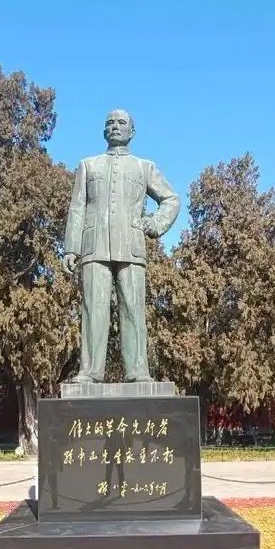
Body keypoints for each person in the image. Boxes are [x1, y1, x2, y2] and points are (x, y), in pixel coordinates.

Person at [63, 109, 180, 383]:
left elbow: (171, 199)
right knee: (93, 310)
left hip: (131, 247)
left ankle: (137, 370)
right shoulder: (88, 165)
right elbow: (77, 207)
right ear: (104, 131)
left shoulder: (144, 167)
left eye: (121, 122)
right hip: (94, 246)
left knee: (133, 308)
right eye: (110, 123)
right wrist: (71, 247)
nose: (115, 126)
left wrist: (155, 223)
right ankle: (89, 371)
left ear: (132, 132)